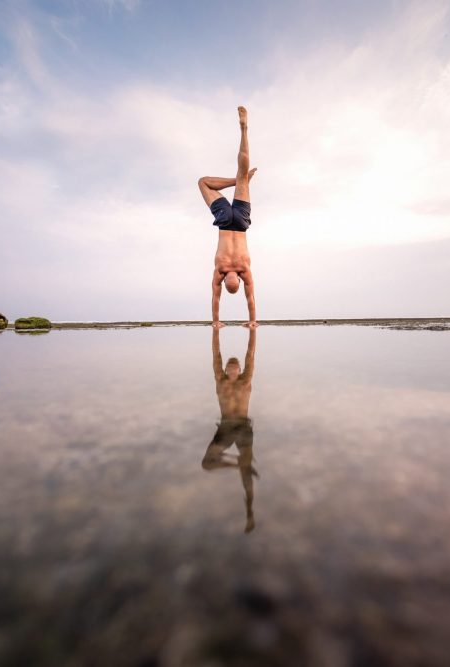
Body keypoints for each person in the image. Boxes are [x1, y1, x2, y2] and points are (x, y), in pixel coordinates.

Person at [197, 106, 258, 328]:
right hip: (239, 222)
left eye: (228, 285)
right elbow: (250, 297)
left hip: (227, 221)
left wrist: (216, 321)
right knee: (240, 174)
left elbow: (216, 297)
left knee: (203, 182)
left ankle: (239, 178)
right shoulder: (244, 269)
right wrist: (252, 320)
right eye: (236, 285)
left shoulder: (219, 271)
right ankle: (244, 130)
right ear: (239, 281)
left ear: (226, 281)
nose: (233, 283)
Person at [202, 326, 258, 533]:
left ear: (240, 369)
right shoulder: (220, 380)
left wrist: (253, 331)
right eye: (229, 366)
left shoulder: (247, 380)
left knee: (247, 477)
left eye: (236, 366)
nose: (233, 369)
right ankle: (239, 465)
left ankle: (250, 510)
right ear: (225, 369)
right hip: (225, 428)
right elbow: (215, 353)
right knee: (207, 463)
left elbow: (251, 353)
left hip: (243, 427)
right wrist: (215, 331)